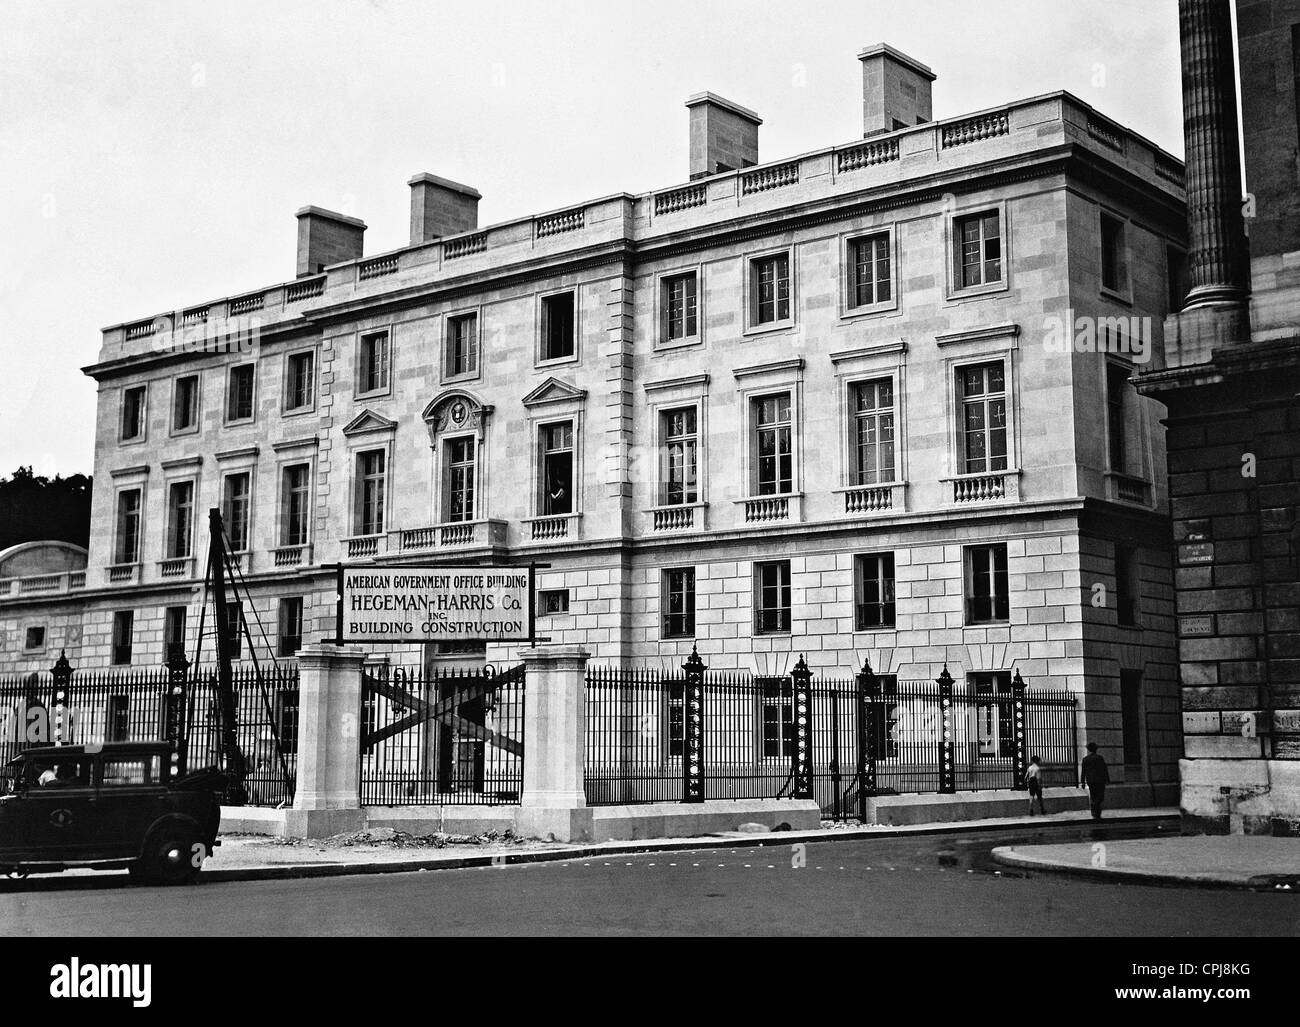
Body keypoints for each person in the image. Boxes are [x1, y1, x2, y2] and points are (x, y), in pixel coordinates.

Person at [1080, 741, 1110, 819]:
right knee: (1100, 796)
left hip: (1090, 781)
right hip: (1100, 780)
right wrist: (1107, 779)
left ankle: (1094, 811)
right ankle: (1096, 809)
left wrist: (1082, 782)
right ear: (1095, 749)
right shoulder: (1099, 758)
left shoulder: (1085, 759)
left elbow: (1083, 771)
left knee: (1093, 795)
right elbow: (1104, 769)